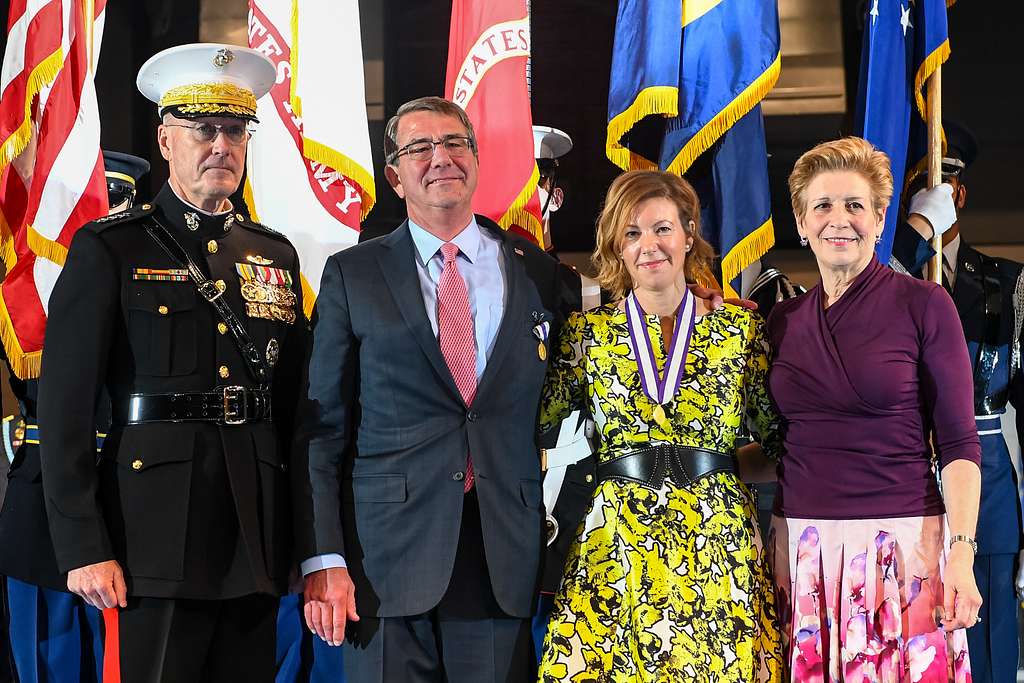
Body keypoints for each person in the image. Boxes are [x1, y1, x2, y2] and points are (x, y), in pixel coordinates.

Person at [37, 43, 307, 682]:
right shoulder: (111, 248)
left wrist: (303, 541)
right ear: (165, 140)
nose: (222, 145)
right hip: (152, 532)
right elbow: (66, 409)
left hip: (254, 534)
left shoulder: (274, 255)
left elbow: (298, 412)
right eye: (204, 129)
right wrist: (83, 545)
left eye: (235, 130)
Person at [292, 95, 584, 682]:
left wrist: (699, 294)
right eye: (419, 147)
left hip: (501, 553)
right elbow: (321, 431)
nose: (440, 158)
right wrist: (325, 557)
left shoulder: (534, 269)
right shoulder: (354, 273)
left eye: (454, 144)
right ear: (396, 176)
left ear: (476, 161)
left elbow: (618, 324)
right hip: (383, 562)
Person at [536, 169, 783, 681]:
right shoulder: (586, 335)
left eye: (662, 228)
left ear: (689, 235)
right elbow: (533, 423)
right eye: (632, 233)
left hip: (719, 540)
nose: (649, 245)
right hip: (617, 545)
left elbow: (779, 442)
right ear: (617, 249)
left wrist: (725, 471)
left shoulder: (740, 328)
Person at [766, 136, 982, 680]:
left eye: (855, 205)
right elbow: (777, 444)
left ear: (882, 217)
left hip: (902, 554)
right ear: (801, 221)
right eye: (822, 206)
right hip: (805, 553)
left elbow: (958, 444)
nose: (839, 219)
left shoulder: (926, 305)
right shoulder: (781, 323)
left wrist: (962, 552)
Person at [0, 151, 148, 683]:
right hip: (41, 505)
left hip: (140, 499)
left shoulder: (154, 286)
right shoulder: (26, 293)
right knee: (49, 661)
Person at [889, 122, 1024, 683]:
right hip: (895, 484)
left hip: (987, 486)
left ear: (957, 194)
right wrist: (914, 235)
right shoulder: (882, 285)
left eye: (936, 189)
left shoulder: (1007, 283)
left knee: (989, 649)